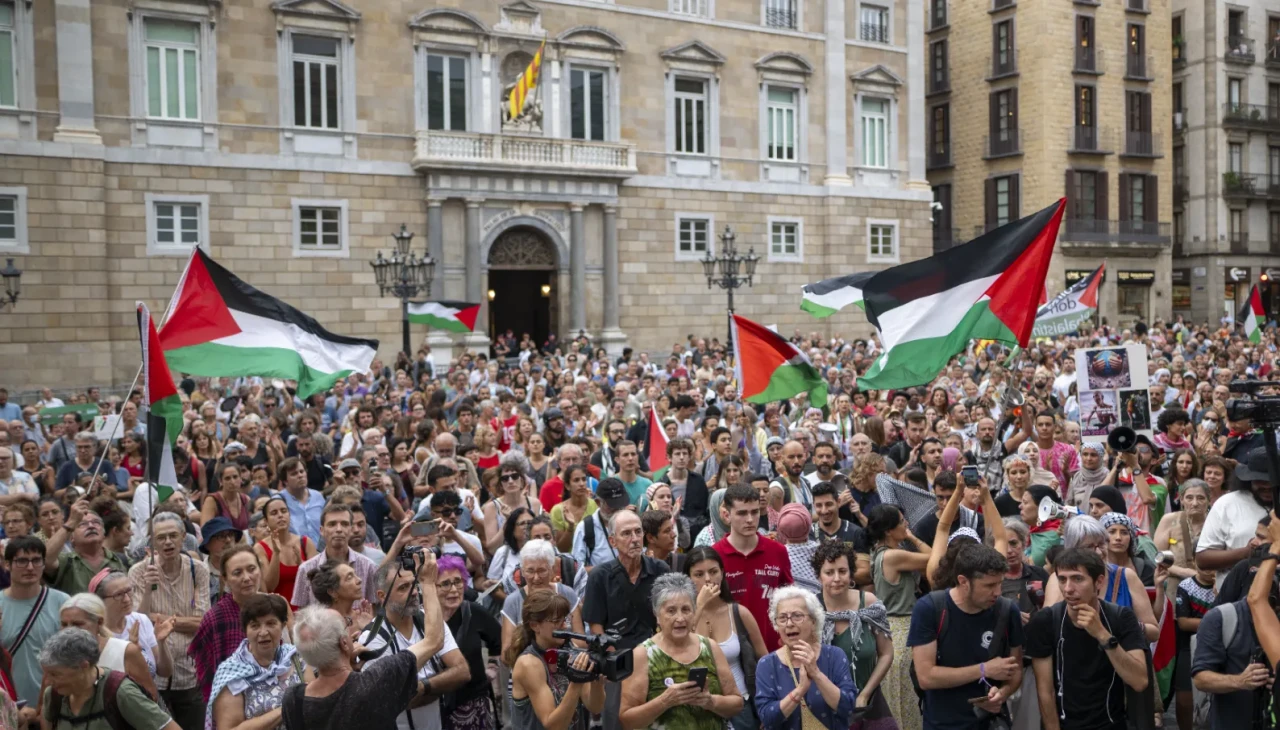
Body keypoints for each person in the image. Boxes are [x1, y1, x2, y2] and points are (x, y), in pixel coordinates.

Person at [281, 550, 446, 730]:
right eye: (346, 626)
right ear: (344, 644)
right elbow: (434, 640)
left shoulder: (293, 698)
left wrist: (350, 669)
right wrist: (428, 582)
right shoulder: (375, 681)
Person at [1026, 548, 1151, 730]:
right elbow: (1046, 692)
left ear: (1098, 582)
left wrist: (1102, 634)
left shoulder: (1121, 618)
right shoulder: (1046, 621)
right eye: (1062, 579)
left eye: (1078, 579)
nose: (1068, 589)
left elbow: (1139, 681)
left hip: (1111, 724)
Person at [909, 543, 1024, 730]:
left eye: (1000, 583)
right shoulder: (930, 609)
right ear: (963, 581)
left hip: (991, 723)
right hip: (943, 724)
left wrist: (1002, 693)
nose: (997, 592)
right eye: (989, 585)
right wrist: (983, 670)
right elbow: (926, 676)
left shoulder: (1007, 610)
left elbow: (1015, 670)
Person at [358, 555, 470, 730]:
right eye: (403, 587)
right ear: (382, 596)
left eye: (414, 584)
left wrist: (423, 687)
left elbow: (462, 672)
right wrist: (441, 684)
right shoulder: (372, 638)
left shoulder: (429, 619)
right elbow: (392, 701)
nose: (415, 592)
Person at [619, 573, 745, 728]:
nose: (680, 618)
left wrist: (710, 701)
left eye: (686, 609)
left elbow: (737, 703)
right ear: (657, 615)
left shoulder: (710, 647)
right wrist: (665, 701)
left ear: (694, 611)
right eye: (671, 611)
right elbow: (627, 720)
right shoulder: (642, 655)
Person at [581, 508, 667, 729]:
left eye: (638, 532)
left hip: (657, 658)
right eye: (626, 533)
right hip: (618, 663)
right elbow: (596, 627)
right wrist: (613, 664)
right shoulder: (600, 576)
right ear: (612, 541)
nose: (634, 539)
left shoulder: (660, 570)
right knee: (618, 720)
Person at [131, 510, 212, 730]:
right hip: (153, 674)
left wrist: (160, 619)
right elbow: (138, 622)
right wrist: (148, 590)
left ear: (183, 536)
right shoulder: (139, 572)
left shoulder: (198, 570)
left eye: (173, 535)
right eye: (160, 537)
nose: (167, 542)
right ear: (152, 542)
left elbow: (202, 623)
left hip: (191, 673)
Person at [812, 539, 896, 730]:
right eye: (829, 572)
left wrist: (865, 694)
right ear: (819, 577)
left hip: (869, 705)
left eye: (842, 571)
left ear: (851, 574)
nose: (836, 578)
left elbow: (886, 653)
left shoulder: (868, 603)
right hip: (824, 709)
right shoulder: (810, 611)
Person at [684, 546, 768, 730]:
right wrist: (698, 606)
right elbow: (676, 645)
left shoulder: (739, 613)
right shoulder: (681, 619)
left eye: (713, 572)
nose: (707, 579)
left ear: (722, 574)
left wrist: (765, 707)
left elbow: (765, 660)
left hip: (739, 705)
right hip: (696, 708)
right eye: (698, 574)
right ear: (688, 579)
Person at [754, 585, 858, 729]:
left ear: (813, 620)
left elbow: (847, 707)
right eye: (782, 618)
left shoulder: (834, 656)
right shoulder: (767, 664)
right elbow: (767, 718)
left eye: (797, 616)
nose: (789, 624)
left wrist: (815, 673)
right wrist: (800, 690)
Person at [38, 627, 181, 730]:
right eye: (46, 674)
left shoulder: (121, 693)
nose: (48, 682)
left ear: (83, 666)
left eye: (55, 674)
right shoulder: (54, 695)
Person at [867, 503, 931, 730]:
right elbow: (935, 558)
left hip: (890, 629)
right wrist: (913, 538)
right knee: (905, 700)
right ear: (888, 531)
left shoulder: (879, 552)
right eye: (902, 522)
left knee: (900, 697)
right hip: (902, 630)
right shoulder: (892, 556)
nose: (906, 525)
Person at [505, 590, 605, 730]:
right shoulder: (529, 664)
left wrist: (596, 681)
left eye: (565, 619)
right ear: (535, 626)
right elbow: (553, 726)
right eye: (556, 621)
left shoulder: (569, 647)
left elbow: (595, 706)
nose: (565, 626)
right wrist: (576, 682)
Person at [713, 484, 792, 651]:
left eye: (755, 512)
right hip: (732, 654)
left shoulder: (778, 551)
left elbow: (789, 600)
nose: (750, 519)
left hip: (774, 649)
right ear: (726, 515)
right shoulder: (714, 556)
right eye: (742, 513)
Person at [209, 592, 303, 730]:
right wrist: (285, 710)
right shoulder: (231, 673)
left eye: (271, 623)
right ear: (245, 630)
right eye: (255, 626)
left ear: (282, 626)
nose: (263, 632)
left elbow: (314, 701)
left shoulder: (295, 657)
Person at [0, 535, 70, 718]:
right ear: (7, 564)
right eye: (22, 561)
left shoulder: (63, 603)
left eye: (36, 560)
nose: (30, 567)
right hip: (7, 708)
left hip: (56, 705)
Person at [192, 544, 272, 701]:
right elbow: (212, 671)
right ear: (225, 579)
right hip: (231, 700)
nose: (247, 578)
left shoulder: (274, 605)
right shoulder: (216, 618)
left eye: (251, 569)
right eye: (237, 573)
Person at [436, 554, 502, 730]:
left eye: (458, 581)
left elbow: (500, 642)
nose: (454, 589)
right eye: (445, 583)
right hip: (435, 708)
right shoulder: (423, 619)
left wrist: (491, 670)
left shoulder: (474, 612)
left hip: (475, 706)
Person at [58, 592, 161, 702]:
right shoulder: (57, 656)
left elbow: (151, 697)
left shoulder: (125, 651)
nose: (69, 631)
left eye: (77, 624)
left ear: (99, 622)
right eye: (64, 624)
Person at [1196, 449, 1272, 582]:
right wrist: (1246, 553)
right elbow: (1203, 559)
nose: (1266, 486)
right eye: (1260, 481)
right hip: (1236, 595)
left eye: (1272, 482)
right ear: (1249, 479)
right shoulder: (1228, 503)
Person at [92, 570, 174, 683]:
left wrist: (161, 642)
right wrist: (133, 652)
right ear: (100, 601)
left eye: (129, 591)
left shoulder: (141, 620)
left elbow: (165, 672)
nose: (127, 599)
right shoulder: (95, 633)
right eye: (118, 595)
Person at [291, 503, 378, 609]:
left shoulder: (368, 566)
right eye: (332, 524)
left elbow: (375, 608)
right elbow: (301, 613)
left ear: (350, 529)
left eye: (344, 524)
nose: (339, 529)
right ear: (322, 531)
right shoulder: (306, 569)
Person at [45, 501, 130, 595]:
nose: (91, 526)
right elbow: (45, 559)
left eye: (96, 522)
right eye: (82, 524)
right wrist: (71, 522)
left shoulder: (121, 560)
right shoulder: (65, 561)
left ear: (104, 533)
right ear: (71, 538)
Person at [256, 495, 317, 610]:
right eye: (274, 513)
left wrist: (302, 564)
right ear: (266, 521)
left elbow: (317, 584)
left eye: (284, 511)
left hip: (307, 612)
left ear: (289, 514)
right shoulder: (260, 548)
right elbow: (269, 588)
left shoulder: (305, 542)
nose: (280, 515)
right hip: (278, 613)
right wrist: (276, 553)